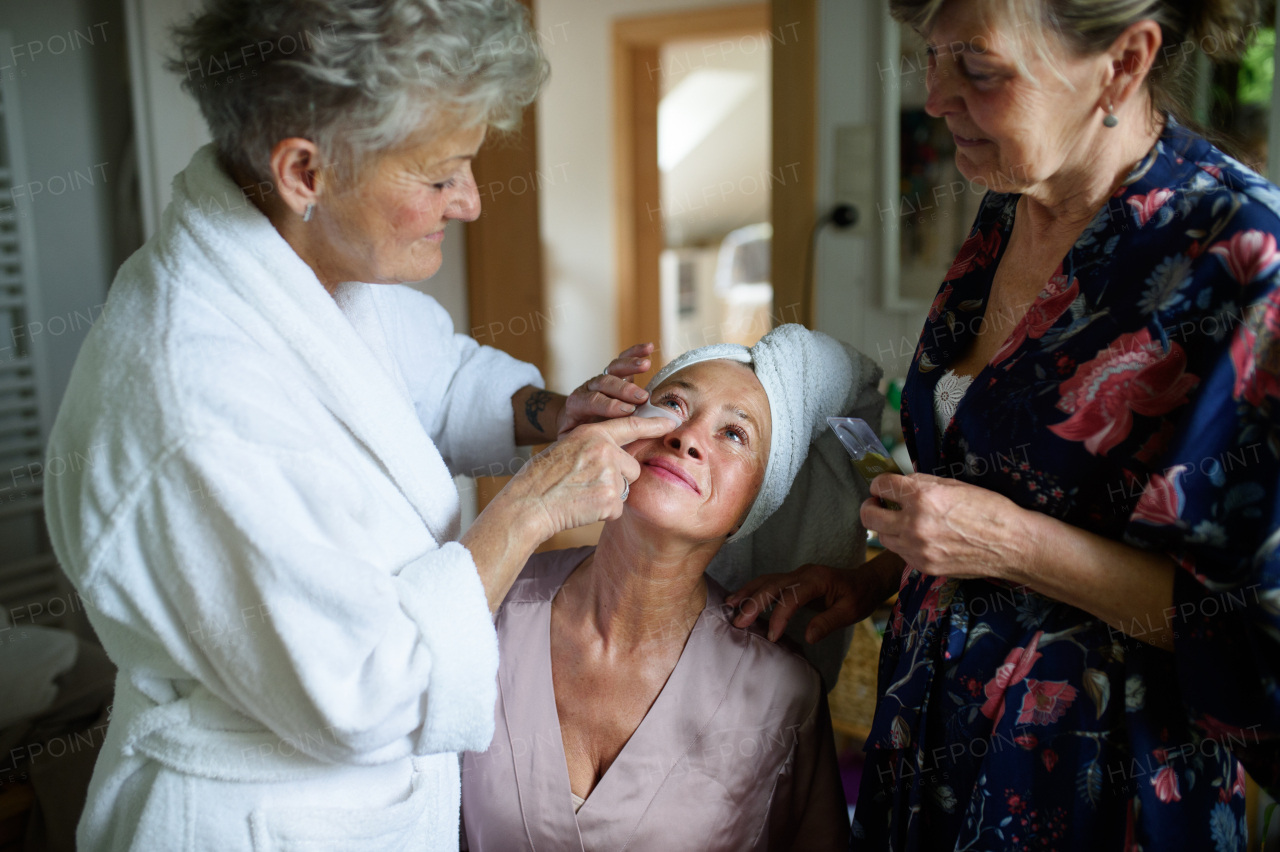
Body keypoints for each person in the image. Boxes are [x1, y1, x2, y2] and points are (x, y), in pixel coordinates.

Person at [41, 1, 675, 849]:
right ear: (306, 171)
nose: (474, 202)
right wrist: (531, 509)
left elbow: (432, 377)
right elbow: (370, 685)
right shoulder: (193, 401)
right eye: (442, 174)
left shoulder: (297, 264)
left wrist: (553, 414)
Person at [730, 0, 1280, 849]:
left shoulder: (1243, 258)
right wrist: (879, 577)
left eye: (979, 69)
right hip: (926, 746)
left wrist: (1014, 545)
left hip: (1093, 782)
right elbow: (1000, 485)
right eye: (931, 55)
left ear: (1125, 62)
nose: (936, 95)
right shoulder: (1010, 203)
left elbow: (1252, 630)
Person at [461, 324, 882, 851]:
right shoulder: (487, 601)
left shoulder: (781, 695)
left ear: (758, 502)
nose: (686, 437)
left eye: (735, 434)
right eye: (674, 406)